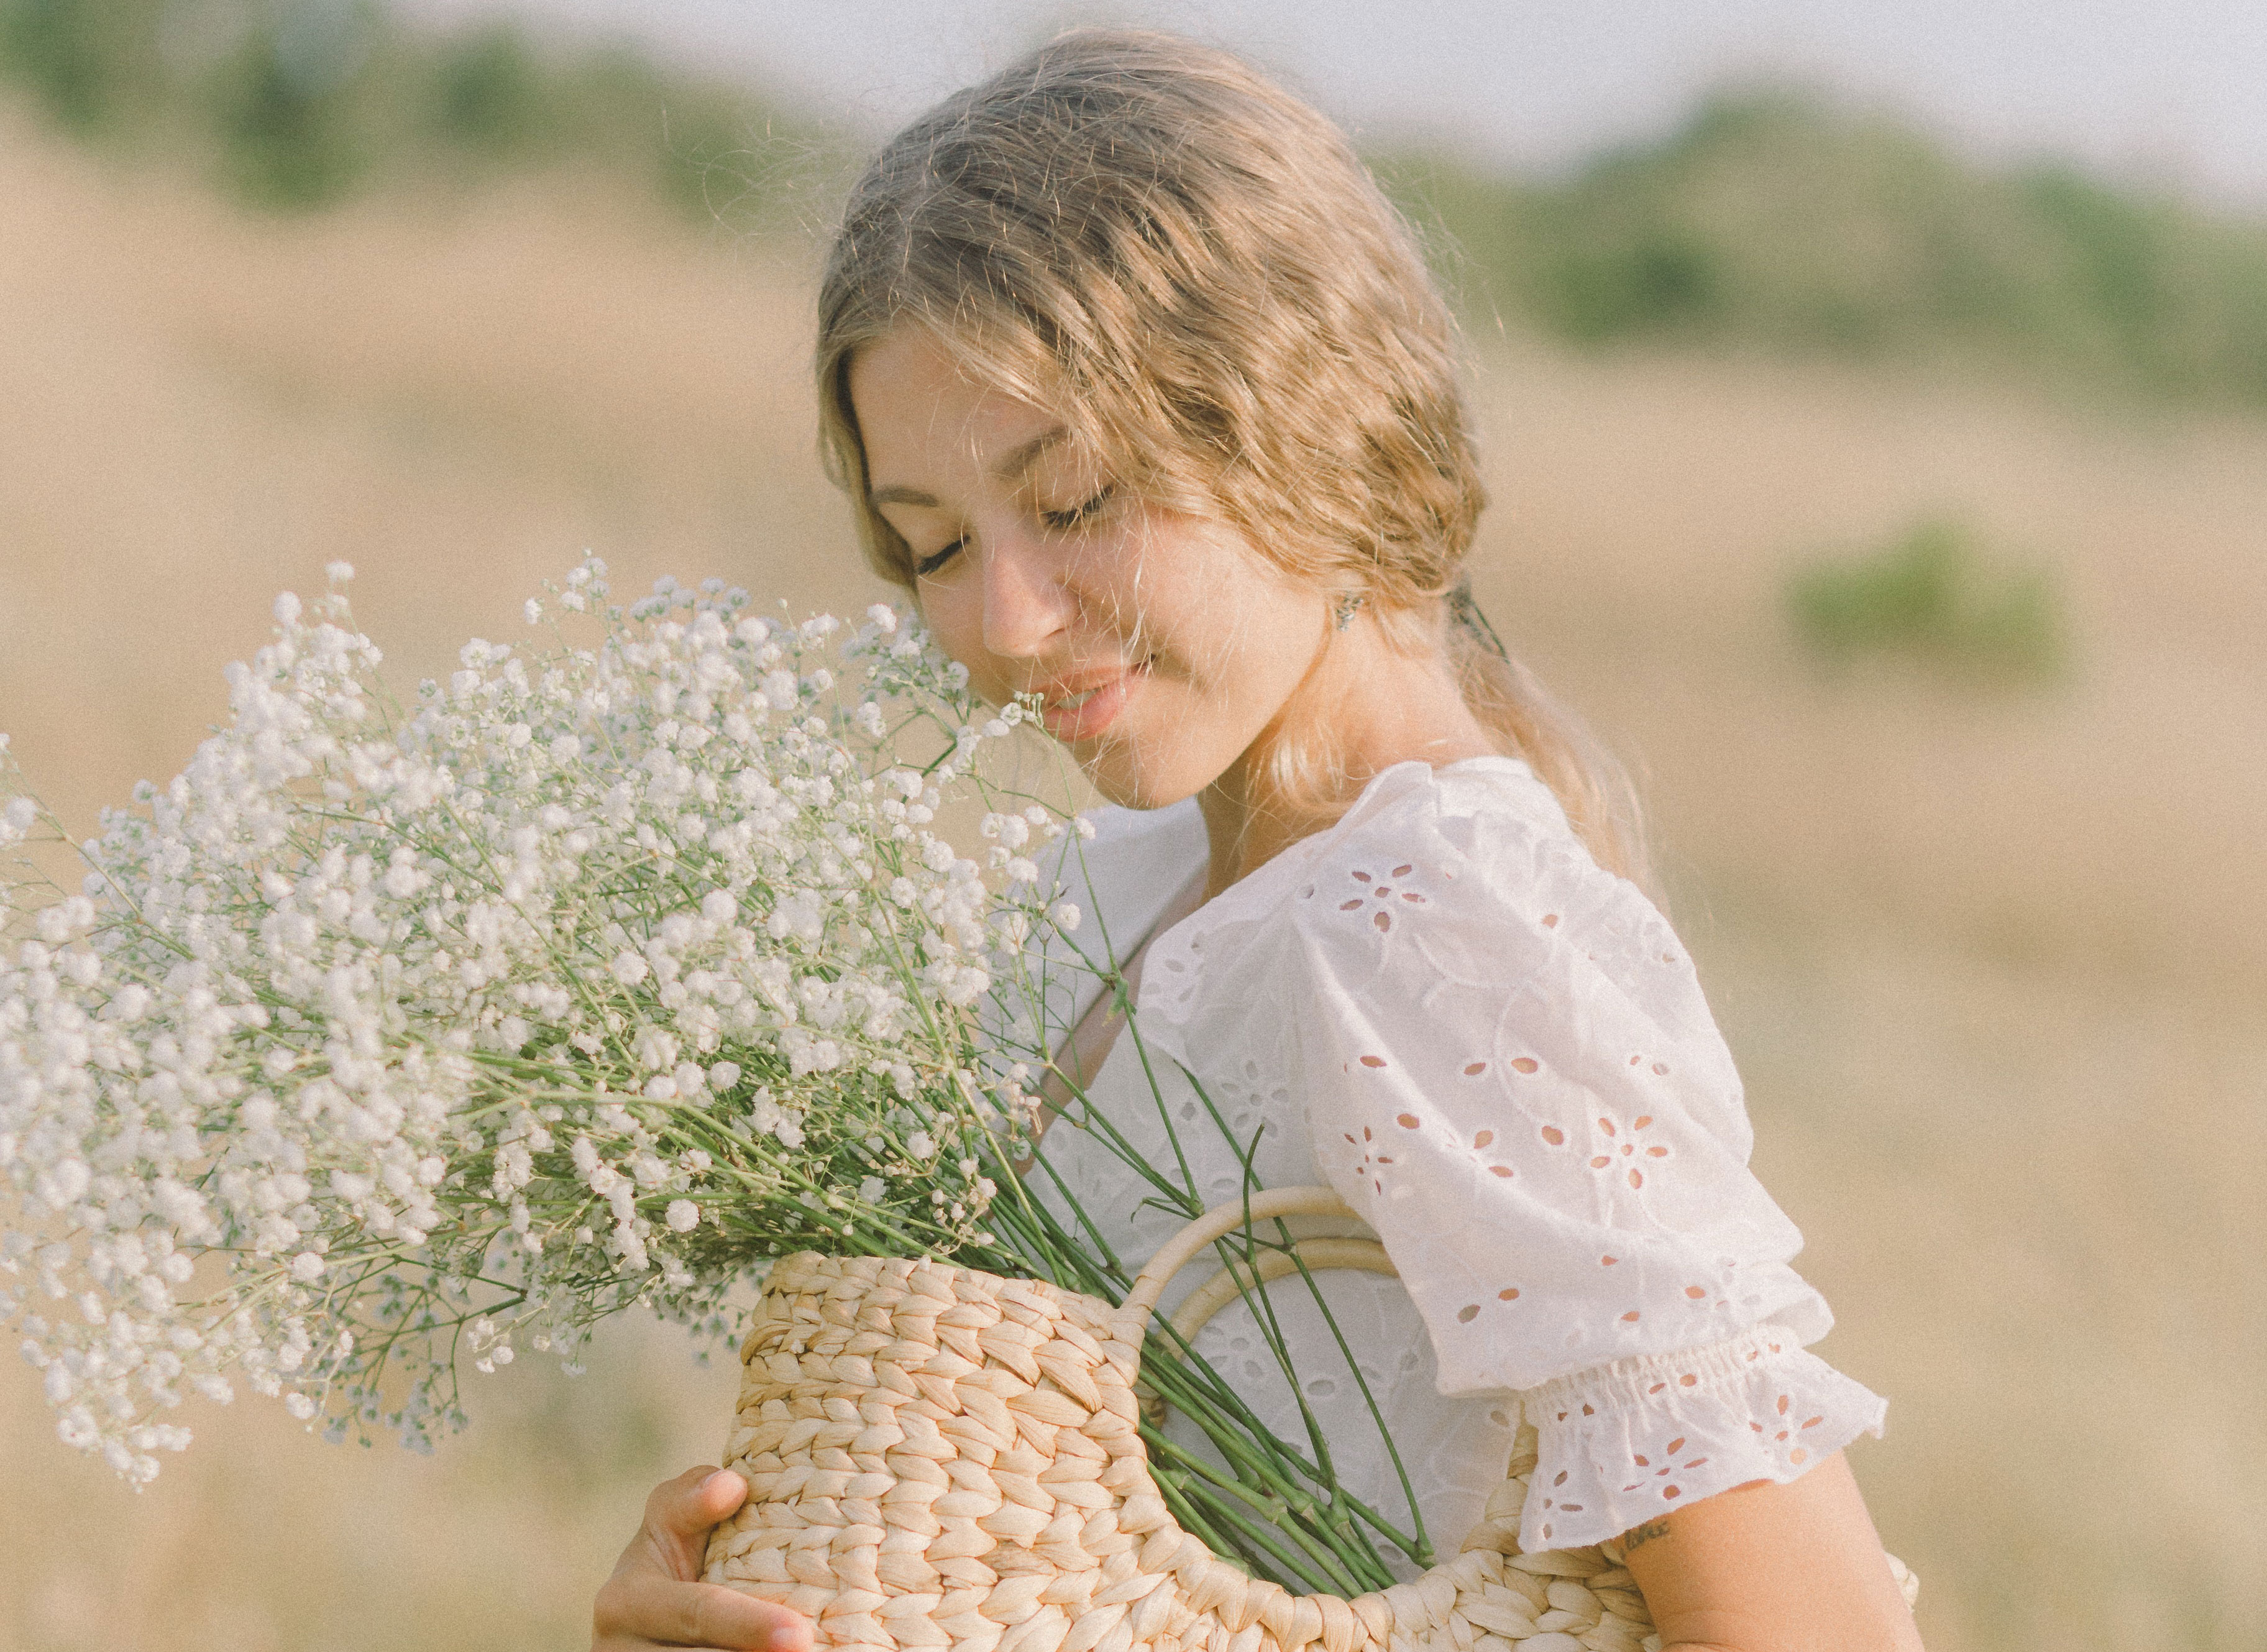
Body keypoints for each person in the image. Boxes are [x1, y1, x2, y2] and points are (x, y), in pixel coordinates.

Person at [592, 30, 1924, 1652]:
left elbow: (1816, 1624)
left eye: (1074, 500)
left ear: (1305, 415)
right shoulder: (1121, 888)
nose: (1005, 622)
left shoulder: (1439, 925)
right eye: (931, 543)